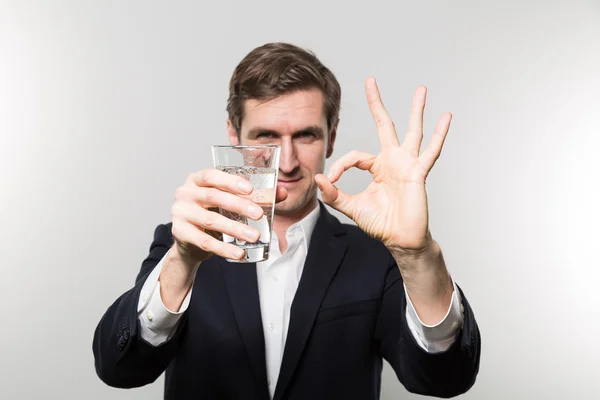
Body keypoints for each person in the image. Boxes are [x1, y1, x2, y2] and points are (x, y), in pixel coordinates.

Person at [92, 42, 480, 400]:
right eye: (267, 137)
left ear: (331, 137)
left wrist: (418, 254)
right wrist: (182, 260)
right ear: (234, 135)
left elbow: (445, 379)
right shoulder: (186, 244)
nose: (288, 162)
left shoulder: (374, 257)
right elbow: (119, 368)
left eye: (306, 136)